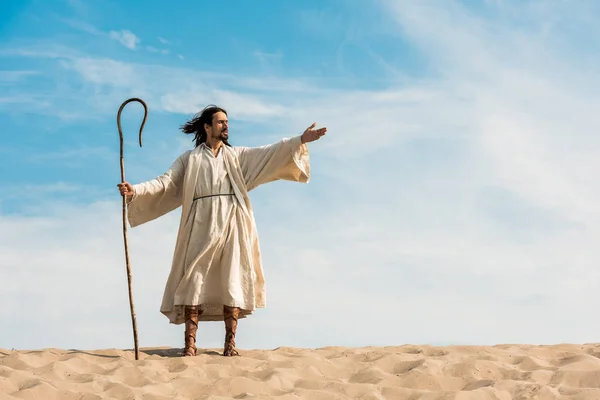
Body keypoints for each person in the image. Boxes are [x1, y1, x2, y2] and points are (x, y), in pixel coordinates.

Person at [117, 105, 326, 357]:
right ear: (207, 127)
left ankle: (230, 345)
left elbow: (269, 153)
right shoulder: (190, 159)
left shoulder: (236, 156)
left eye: (227, 122)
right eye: (220, 122)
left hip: (231, 221)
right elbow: (166, 182)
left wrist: (300, 140)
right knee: (193, 278)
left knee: (231, 277)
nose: (225, 126)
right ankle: (190, 345)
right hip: (200, 222)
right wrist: (135, 190)